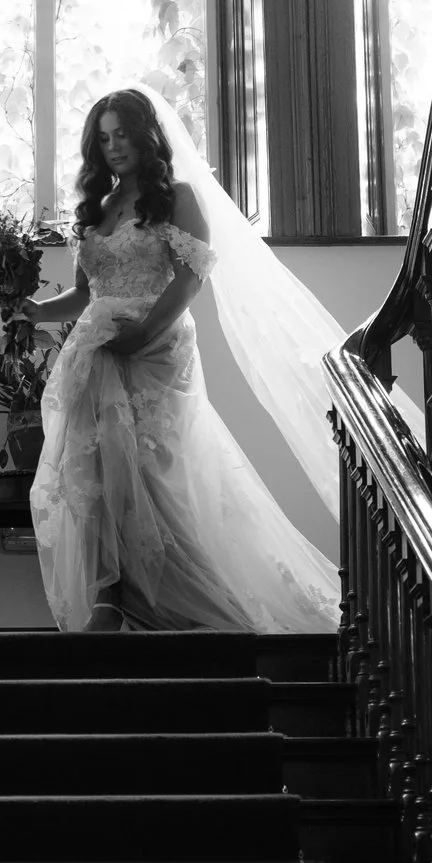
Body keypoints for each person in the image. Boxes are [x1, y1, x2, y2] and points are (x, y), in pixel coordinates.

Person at [20, 86, 344, 633]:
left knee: (150, 473)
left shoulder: (177, 196)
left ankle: (177, 604)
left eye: (122, 133)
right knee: (95, 472)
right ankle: (112, 596)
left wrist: (144, 330)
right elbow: (85, 293)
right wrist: (34, 310)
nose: (113, 146)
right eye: (103, 138)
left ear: (145, 135)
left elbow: (192, 276)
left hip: (155, 348)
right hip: (95, 353)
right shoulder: (98, 208)